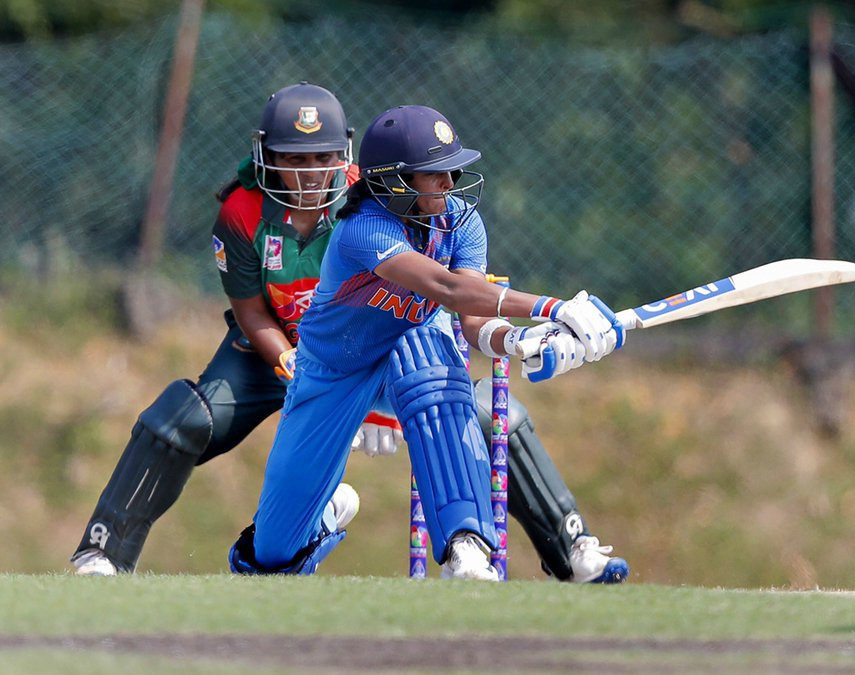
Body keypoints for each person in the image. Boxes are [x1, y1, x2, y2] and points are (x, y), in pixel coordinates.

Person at [72, 84, 627, 584]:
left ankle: (540, 547)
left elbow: (458, 308)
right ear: (267, 156)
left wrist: (514, 339)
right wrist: (554, 306)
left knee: (470, 400)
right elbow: (252, 309)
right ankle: (106, 550)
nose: (311, 172)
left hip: (395, 346)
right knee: (196, 434)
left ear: (346, 157)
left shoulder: (419, 205)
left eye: (323, 157)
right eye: (293, 159)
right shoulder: (272, 215)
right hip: (299, 357)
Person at [228, 104, 625, 581]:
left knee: (429, 355)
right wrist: (556, 307)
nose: (450, 181)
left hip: (414, 348)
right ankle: (322, 514)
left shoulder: (461, 223)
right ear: (395, 182)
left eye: (452, 169)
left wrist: (521, 341)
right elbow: (449, 289)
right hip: (333, 371)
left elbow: (474, 321)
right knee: (272, 554)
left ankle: (467, 546)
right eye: (434, 173)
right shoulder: (363, 229)